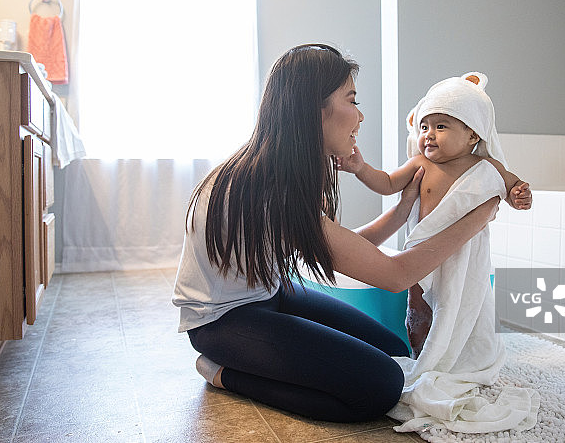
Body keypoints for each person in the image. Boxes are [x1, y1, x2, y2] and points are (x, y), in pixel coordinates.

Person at [171, 44, 500, 423]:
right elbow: (396, 276)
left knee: (394, 350)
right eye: (352, 100)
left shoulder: (286, 170)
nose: (360, 115)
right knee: (380, 386)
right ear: (314, 109)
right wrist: (478, 216)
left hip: (270, 291)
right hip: (222, 321)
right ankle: (223, 373)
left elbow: (344, 248)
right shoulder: (270, 187)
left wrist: (403, 208)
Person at [337, 72, 531, 356]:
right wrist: (361, 169)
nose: (428, 134)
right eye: (424, 126)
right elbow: (387, 183)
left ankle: (457, 355)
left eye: (440, 126)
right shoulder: (420, 164)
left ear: (472, 134)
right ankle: (421, 355)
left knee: (464, 305)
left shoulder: (486, 167)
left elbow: (512, 186)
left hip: (462, 255)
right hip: (421, 254)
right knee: (418, 306)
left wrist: (520, 195)